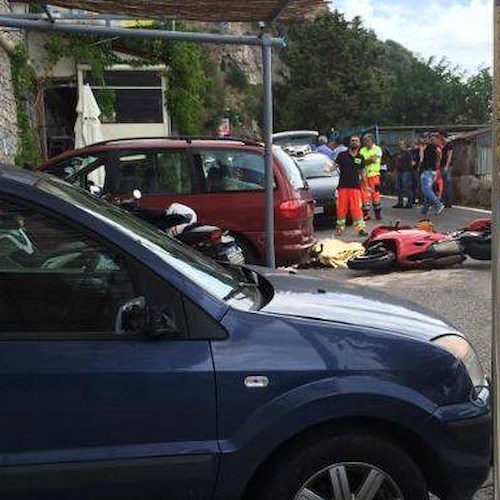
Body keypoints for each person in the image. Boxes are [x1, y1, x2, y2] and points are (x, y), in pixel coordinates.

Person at [334, 135, 367, 236]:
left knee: (356, 208)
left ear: (359, 144)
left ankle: (360, 228)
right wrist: (329, 169)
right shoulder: (342, 155)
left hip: (355, 186)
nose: (354, 142)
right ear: (349, 143)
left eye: (356, 141)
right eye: (352, 141)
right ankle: (340, 228)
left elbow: (362, 172)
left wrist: (365, 185)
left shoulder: (360, 158)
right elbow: (334, 165)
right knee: (341, 208)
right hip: (343, 186)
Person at [360, 134, 383, 220]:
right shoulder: (362, 150)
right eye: (364, 141)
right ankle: (366, 213)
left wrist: (366, 161)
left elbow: (374, 160)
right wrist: (368, 160)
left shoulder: (377, 149)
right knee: (364, 195)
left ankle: (378, 212)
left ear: (372, 141)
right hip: (364, 175)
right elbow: (360, 162)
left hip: (374, 175)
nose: (365, 142)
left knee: (375, 194)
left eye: (367, 141)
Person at [420, 134, 444, 215]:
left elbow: (423, 158)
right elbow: (438, 159)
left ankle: (438, 204)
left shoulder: (430, 147)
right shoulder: (437, 148)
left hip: (428, 170)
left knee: (426, 189)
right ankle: (425, 209)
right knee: (428, 189)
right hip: (432, 170)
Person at [393, 140, 415, 208]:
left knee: (407, 187)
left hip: (406, 171)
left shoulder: (408, 153)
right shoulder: (398, 153)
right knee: (399, 187)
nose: (400, 146)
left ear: (405, 145)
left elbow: (412, 162)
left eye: (402, 144)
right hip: (399, 171)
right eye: (399, 144)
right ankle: (400, 202)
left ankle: (410, 202)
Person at [438, 130, 453, 208]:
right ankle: (444, 200)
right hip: (441, 165)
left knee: (447, 183)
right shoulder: (442, 144)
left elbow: (449, 156)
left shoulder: (449, 144)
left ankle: (448, 201)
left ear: (442, 135)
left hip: (446, 166)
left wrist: (447, 166)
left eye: (439, 136)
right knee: (443, 183)